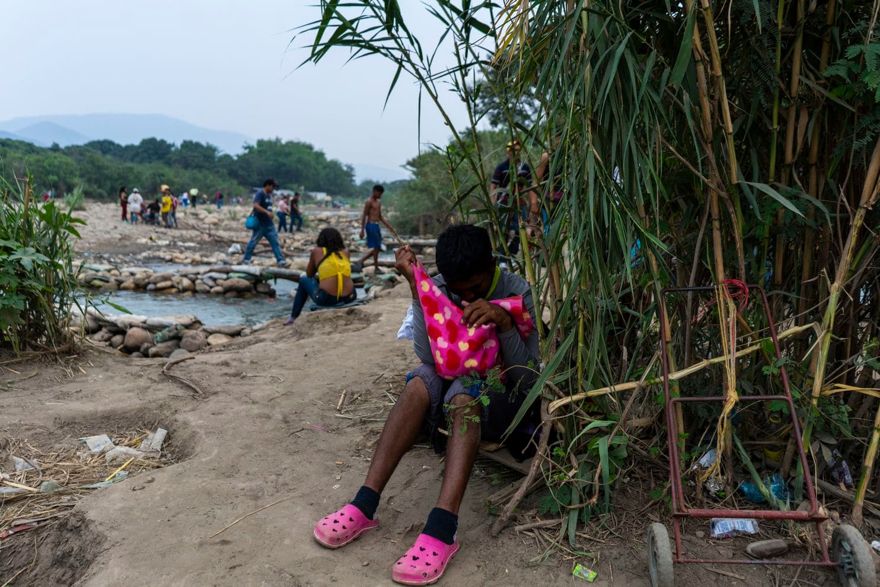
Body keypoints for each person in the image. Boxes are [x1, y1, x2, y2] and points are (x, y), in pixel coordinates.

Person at [312, 225, 540, 585]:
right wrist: (418, 292)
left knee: (465, 395)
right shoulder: (440, 284)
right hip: (449, 384)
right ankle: (364, 504)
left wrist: (506, 324)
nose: (465, 298)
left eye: (475, 289)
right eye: (456, 291)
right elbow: (428, 355)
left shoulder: (517, 291)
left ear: (491, 266)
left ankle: (442, 529)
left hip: (501, 403)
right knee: (419, 381)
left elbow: (529, 381)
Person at [285, 228, 357, 325]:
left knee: (303, 279)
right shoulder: (346, 252)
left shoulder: (317, 251)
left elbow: (309, 274)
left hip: (328, 299)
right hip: (350, 296)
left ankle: (293, 317)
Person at [490, 140, 532, 259]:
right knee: (503, 231)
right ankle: (502, 258)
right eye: (511, 151)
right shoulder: (502, 167)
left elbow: (530, 187)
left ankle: (512, 254)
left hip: (520, 204)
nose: (514, 154)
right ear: (508, 152)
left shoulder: (525, 168)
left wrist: (532, 202)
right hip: (503, 204)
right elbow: (493, 185)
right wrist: (493, 204)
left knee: (521, 229)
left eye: (517, 151)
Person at [242, 178, 288, 267]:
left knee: (275, 242)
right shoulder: (260, 193)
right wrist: (266, 212)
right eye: (273, 187)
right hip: (260, 224)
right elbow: (255, 205)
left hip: (269, 224)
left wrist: (271, 214)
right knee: (253, 242)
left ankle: (281, 260)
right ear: (268, 185)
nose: (273, 189)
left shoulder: (269, 195)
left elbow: (269, 207)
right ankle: (246, 259)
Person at [358, 185, 395, 271]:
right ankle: (375, 267)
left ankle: (362, 261)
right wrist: (362, 230)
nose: (380, 195)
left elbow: (380, 216)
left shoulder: (378, 203)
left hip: (376, 225)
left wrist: (389, 226)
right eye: (379, 193)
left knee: (378, 247)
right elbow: (364, 215)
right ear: (375, 191)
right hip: (370, 225)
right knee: (376, 246)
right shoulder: (369, 202)